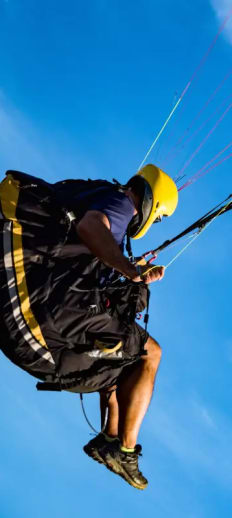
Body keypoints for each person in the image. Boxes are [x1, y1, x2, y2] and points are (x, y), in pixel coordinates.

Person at [0, 164, 177, 490]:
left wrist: (133, 272)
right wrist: (130, 270)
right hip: (33, 319)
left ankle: (109, 438)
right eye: (161, 218)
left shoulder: (91, 190)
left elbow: (81, 251)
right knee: (150, 353)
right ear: (153, 206)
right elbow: (91, 227)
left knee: (115, 346)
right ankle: (125, 449)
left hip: (19, 304)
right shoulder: (122, 204)